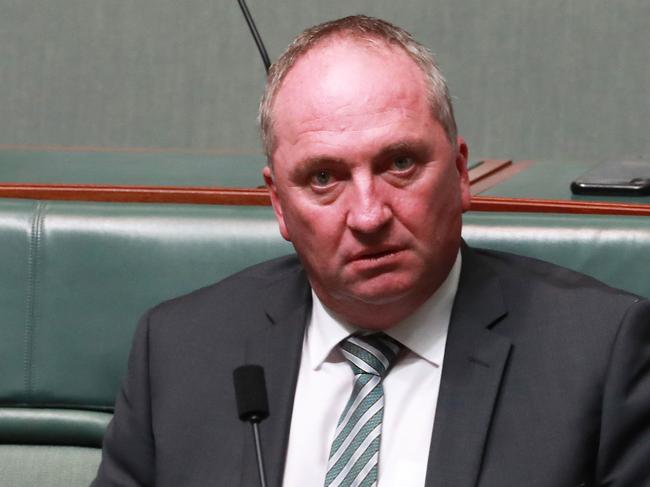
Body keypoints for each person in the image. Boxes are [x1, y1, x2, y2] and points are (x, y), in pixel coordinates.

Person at [92, 15, 650, 487]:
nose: (368, 215)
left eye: (400, 164)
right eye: (323, 177)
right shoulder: (177, 351)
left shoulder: (600, 354)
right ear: (279, 205)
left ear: (460, 174)